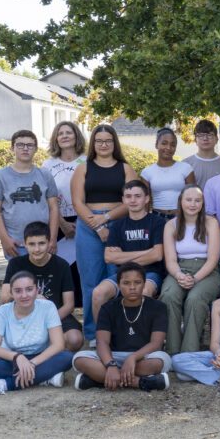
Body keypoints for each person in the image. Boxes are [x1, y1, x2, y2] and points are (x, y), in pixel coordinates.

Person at [70, 124, 138, 342]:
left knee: (117, 279)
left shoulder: (125, 169)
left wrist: (107, 219)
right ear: (93, 144)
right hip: (88, 226)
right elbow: (77, 202)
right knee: (90, 281)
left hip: (118, 224)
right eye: (99, 141)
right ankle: (92, 333)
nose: (103, 144)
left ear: (114, 143)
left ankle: (116, 330)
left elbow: (131, 202)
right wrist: (98, 226)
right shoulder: (84, 168)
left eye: (108, 140)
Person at [71, 263, 172, 392]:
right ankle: (140, 382)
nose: (132, 287)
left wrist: (132, 358)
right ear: (118, 285)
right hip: (113, 357)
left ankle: (99, 380)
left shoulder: (158, 307)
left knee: (162, 360)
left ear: (144, 284)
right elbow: (102, 342)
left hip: (144, 357)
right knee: (79, 358)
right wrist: (111, 365)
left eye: (137, 282)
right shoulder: (108, 307)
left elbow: (156, 344)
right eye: (126, 283)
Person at [0, 270, 74, 395]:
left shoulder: (48, 307)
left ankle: (5, 384)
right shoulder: (2, 312)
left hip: (41, 358)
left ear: (37, 290)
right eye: (18, 291)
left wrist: (31, 363)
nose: (24, 295)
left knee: (67, 358)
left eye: (29, 289)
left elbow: (58, 345)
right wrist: (17, 357)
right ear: (11, 293)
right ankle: (44, 378)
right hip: (13, 360)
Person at [0, 221, 84, 352]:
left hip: (56, 314)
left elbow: (69, 305)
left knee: (75, 339)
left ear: (49, 242)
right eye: (32, 244)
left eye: (41, 243)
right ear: (25, 244)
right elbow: (5, 297)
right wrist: (33, 296)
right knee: (4, 342)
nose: (37, 249)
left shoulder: (61, 265)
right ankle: (45, 346)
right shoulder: (16, 264)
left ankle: (50, 349)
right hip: (23, 314)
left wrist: (48, 320)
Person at [159, 184, 220, 354]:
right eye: (189, 200)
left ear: (203, 203)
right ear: (181, 201)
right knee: (168, 295)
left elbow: (213, 259)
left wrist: (195, 279)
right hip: (179, 269)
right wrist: (179, 275)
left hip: (207, 271)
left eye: (197, 200)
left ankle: (189, 352)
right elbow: (171, 260)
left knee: (195, 299)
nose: (193, 204)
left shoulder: (211, 223)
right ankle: (173, 350)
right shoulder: (171, 225)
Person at [94, 180, 165, 328]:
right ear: (123, 200)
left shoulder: (158, 222)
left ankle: (141, 338)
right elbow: (109, 257)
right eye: (128, 196)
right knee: (98, 293)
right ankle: (102, 337)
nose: (133, 200)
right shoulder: (117, 225)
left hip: (150, 273)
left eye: (137, 196)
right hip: (123, 274)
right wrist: (147, 251)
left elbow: (157, 255)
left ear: (146, 199)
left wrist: (123, 256)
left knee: (144, 292)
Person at [0, 129, 60, 258]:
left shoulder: (45, 174)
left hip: (43, 243)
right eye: (20, 145)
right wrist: (5, 239)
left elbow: (54, 207)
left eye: (30, 145)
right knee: (19, 278)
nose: (25, 148)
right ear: (12, 148)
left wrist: (53, 238)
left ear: (36, 149)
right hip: (15, 244)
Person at [42, 121, 86, 299]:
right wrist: (63, 224)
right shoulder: (48, 165)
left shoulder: (87, 161)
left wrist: (82, 221)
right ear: (56, 139)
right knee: (61, 268)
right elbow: (46, 197)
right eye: (61, 133)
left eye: (69, 132)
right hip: (57, 222)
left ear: (77, 136)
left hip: (85, 221)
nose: (65, 136)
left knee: (83, 268)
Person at [140, 128, 194, 220]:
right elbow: (145, 202)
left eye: (173, 145)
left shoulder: (186, 168)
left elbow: (193, 196)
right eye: (164, 143)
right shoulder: (147, 172)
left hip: (181, 218)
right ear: (157, 145)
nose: (168, 148)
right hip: (157, 218)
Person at [183, 119, 220, 187]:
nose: (205, 138)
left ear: (216, 139)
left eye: (210, 134)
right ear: (195, 140)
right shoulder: (185, 164)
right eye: (201, 135)